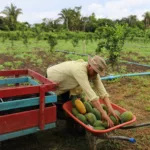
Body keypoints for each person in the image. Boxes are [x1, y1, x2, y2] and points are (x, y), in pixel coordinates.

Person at [47, 55, 119, 128]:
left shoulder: (94, 73)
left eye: (97, 72)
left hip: (67, 82)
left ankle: (70, 124)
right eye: (94, 71)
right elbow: (91, 95)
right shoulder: (79, 70)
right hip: (52, 77)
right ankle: (60, 117)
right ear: (89, 65)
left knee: (72, 102)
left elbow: (102, 91)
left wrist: (110, 108)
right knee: (56, 103)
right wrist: (103, 113)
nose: (95, 74)